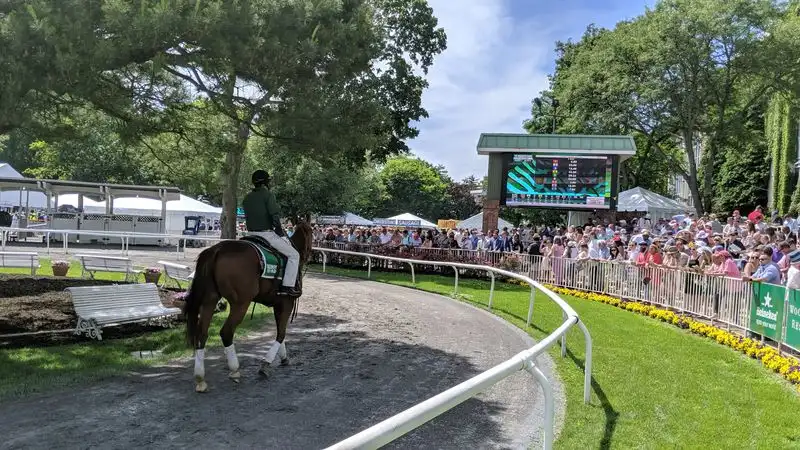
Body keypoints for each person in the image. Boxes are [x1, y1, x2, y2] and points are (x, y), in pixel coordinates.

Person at [242, 169, 301, 297]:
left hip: (249, 234)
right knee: (294, 255)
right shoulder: (268, 195)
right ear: (265, 182)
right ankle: (287, 286)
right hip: (266, 235)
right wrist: (279, 230)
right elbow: (274, 215)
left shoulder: (247, 197)